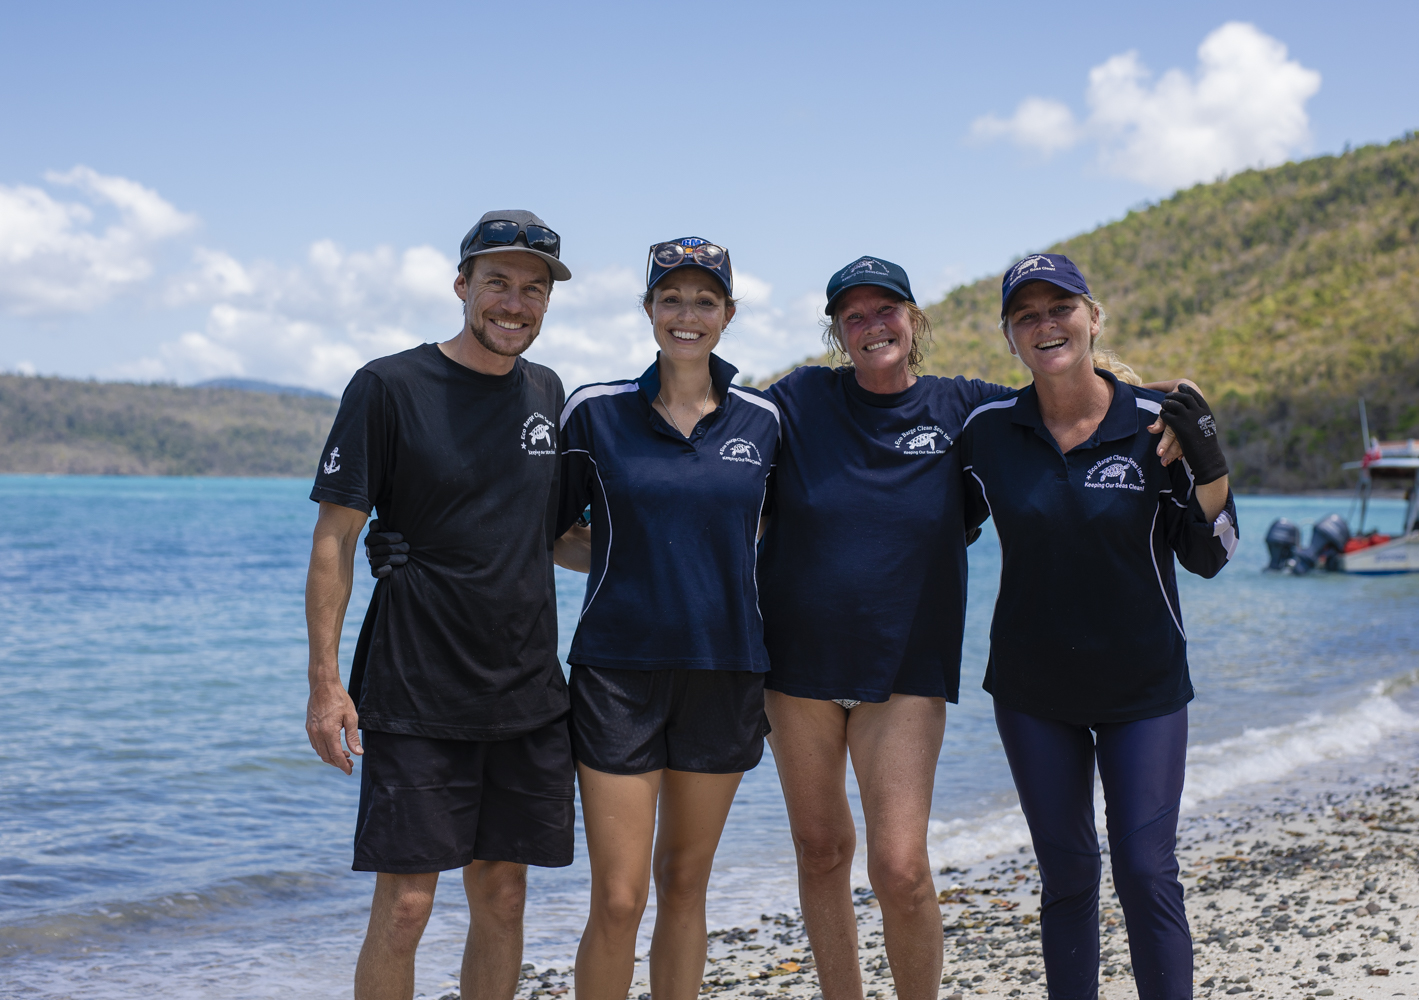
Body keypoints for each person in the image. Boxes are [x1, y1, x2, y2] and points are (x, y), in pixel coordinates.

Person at [756, 256, 1195, 1000]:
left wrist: (1179, 412)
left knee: (900, 866)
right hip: (796, 661)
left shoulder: (965, 410)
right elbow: (722, 439)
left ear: (914, 320)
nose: (872, 327)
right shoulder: (799, 397)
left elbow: (1064, 397)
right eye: (853, 316)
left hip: (907, 664)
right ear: (835, 331)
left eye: (886, 310)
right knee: (822, 851)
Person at [305, 210, 577, 1000]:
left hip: (526, 691)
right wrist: (326, 685)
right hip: (416, 688)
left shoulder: (547, 391)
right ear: (463, 286)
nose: (514, 303)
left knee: (503, 896)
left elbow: (552, 535)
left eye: (533, 288)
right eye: (497, 283)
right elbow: (336, 540)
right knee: (406, 909)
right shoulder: (388, 386)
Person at [961, 253, 1238, 1000]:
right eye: (1027, 315)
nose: (1046, 325)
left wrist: (1210, 463)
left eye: (1061, 308)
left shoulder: (1158, 422)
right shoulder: (989, 431)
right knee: (1069, 875)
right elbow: (923, 517)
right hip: (1031, 691)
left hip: (1144, 687)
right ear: (1011, 336)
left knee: (1146, 870)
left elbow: (1212, 555)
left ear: (1091, 317)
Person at [554, 238, 782, 1000]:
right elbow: (546, 533)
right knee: (619, 898)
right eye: (672, 299)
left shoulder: (765, 421)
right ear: (649, 308)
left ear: (728, 314)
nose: (688, 315)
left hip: (725, 673)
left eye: (705, 301)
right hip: (618, 673)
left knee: (685, 886)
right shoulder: (595, 412)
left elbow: (785, 537)